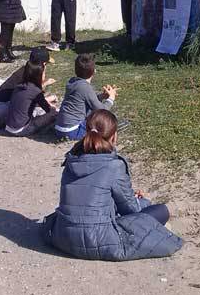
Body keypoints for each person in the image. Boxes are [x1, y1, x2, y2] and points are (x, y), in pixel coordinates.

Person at [42, 110, 183, 261]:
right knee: (161, 210)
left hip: (63, 237)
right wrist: (141, 201)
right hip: (100, 239)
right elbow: (130, 209)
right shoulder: (114, 165)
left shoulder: (71, 159)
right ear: (114, 136)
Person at [54, 53, 116, 140]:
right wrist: (111, 98)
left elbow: (85, 100)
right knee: (102, 126)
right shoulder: (85, 87)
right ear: (94, 71)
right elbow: (102, 110)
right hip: (73, 131)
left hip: (59, 129)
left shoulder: (72, 82)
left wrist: (102, 96)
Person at [0, 46, 55, 123]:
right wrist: (48, 103)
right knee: (33, 111)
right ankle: (1, 120)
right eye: (46, 64)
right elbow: (32, 97)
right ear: (43, 64)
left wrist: (45, 84)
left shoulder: (26, 69)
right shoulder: (31, 74)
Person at [4, 60, 58, 136]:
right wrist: (53, 107)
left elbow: (29, 101)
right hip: (20, 129)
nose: (45, 75)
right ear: (38, 75)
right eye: (44, 73)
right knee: (54, 112)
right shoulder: (35, 91)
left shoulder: (20, 85)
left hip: (9, 126)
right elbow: (48, 109)